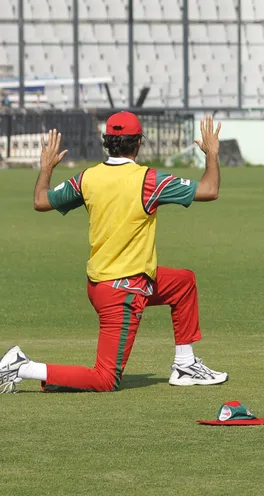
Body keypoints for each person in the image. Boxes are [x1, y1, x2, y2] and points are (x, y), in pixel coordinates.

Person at [0, 112, 228, 393]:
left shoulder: (88, 178)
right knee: (105, 379)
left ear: (107, 143)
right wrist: (212, 153)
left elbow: (40, 200)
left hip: (104, 285)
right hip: (122, 292)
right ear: (139, 144)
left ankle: (185, 365)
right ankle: (22, 366)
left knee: (182, 283)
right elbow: (210, 189)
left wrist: (46, 167)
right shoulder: (148, 180)